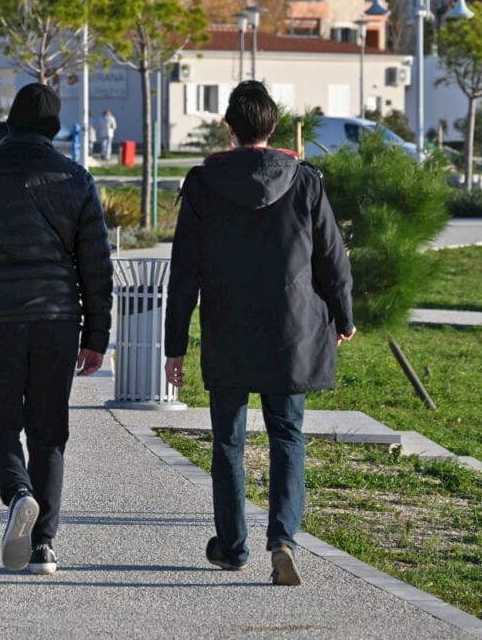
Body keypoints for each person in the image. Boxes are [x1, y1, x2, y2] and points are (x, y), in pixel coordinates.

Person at [164, 80, 355, 587]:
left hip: (227, 329)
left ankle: (231, 547)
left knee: (228, 440)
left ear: (229, 128)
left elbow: (183, 272)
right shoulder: (305, 181)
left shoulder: (203, 184)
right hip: (292, 332)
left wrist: (174, 346)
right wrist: (344, 317)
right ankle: (282, 540)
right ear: (273, 127)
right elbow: (332, 258)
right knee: (287, 435)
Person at [0, 83, 113, 576]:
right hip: (57, 322)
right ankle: (43, 546)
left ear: (10, 121)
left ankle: (18, 493)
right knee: (49, 432)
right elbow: (96, 266)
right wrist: (96, 337)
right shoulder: (76, 178)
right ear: (54, 127)